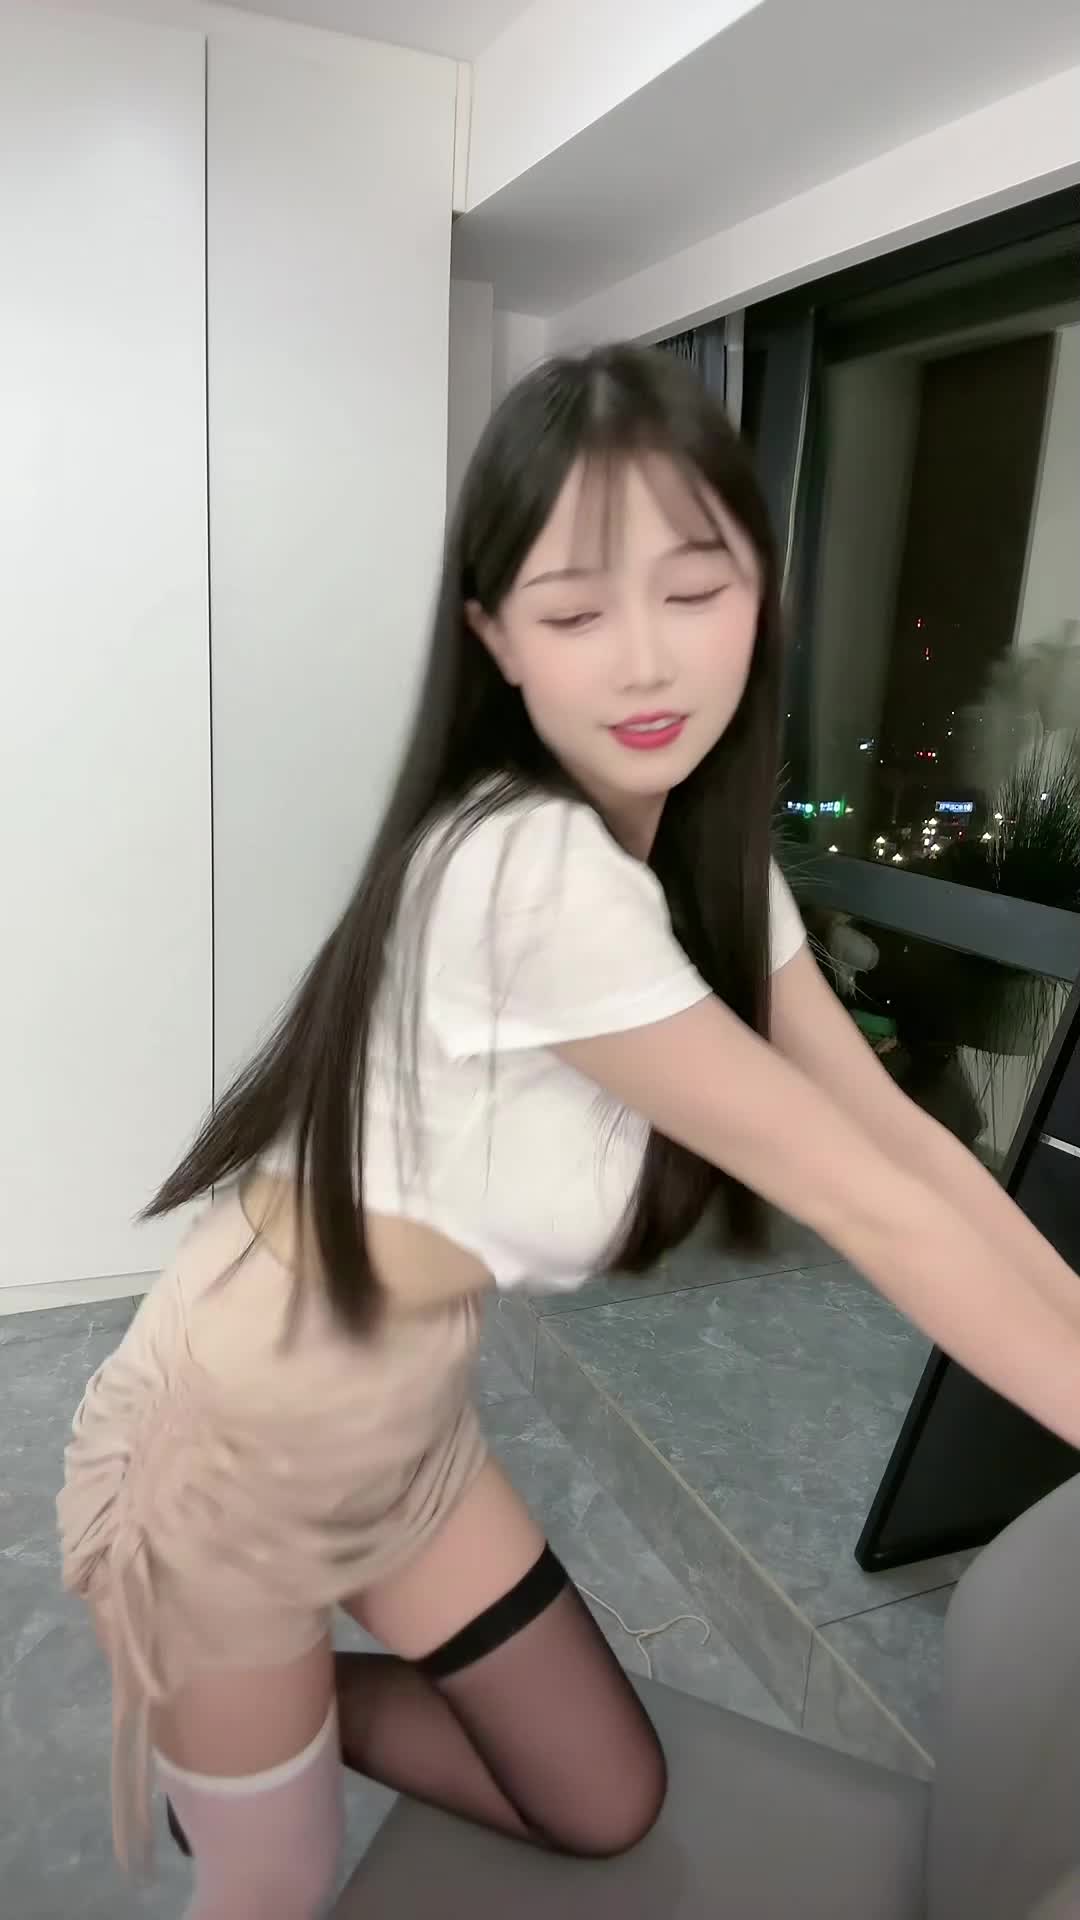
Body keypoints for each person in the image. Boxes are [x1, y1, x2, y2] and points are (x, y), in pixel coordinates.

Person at [59, 344, 1080, 1920]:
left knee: (604, 1805)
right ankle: (236, 1746)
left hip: (408, 1424)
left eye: (694, 589)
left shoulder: (712, 871)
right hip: (237, 1440)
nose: (647, 661)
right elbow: (863, 1206)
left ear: (760, 595)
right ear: (497, 639)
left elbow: (901, 1147)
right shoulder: (527, 870)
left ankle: (270, 1720)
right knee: (273, 1880)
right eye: (575, 610)